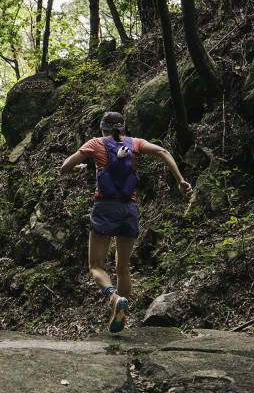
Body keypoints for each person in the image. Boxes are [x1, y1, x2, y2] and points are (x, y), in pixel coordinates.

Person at [60, 111, 192, 333]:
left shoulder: (95, 143)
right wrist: (180, 180)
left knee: (95, 266)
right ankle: (123, 318)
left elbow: (64, 167)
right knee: (123, 268)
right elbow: (163, 151)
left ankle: (113, 298)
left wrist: (78, 168)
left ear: (102, 128)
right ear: (123, 129)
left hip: (105, 207)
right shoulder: (136, 143)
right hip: (130, 209)